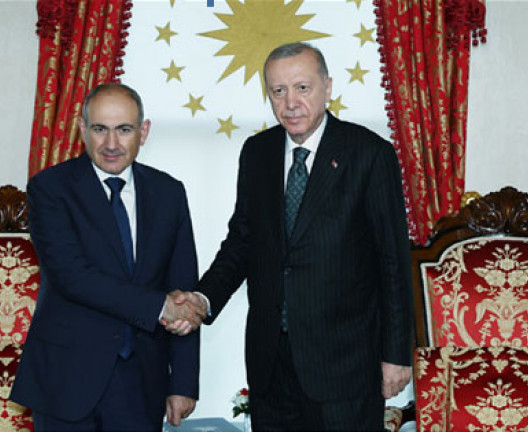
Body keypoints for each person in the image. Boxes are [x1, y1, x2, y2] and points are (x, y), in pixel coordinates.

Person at [168, 42, 414, 430]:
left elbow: (393, 262)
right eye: (278, 91)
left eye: (302, 88)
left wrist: (397, 355)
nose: (291, 103)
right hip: (271, 365)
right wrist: (202, 299)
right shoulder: (257, 153)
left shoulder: (369, 154)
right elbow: (242, 243)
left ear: (327, 87)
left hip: (345, 367)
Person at [11, 83, 203, 431]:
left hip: (141, 383)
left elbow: (182, 287)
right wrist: (160, 307)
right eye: (100, 129)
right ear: (82, 128)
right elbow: (73, 276)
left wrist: (183, 382)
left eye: (124, 129)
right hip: (66, 379)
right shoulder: (50, 188)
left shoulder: (169, 192)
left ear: (144, 131)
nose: (111, 144)